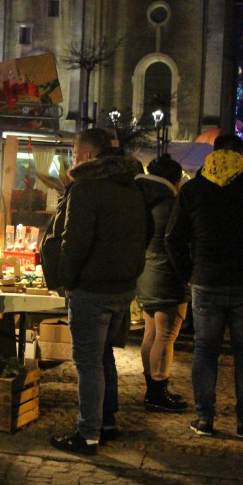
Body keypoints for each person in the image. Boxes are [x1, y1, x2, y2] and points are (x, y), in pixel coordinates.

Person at [166, 133, 243, 442]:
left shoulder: (194, 189)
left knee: (205, 350)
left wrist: (188, 273)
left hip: (206, 280)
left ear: (214, 153)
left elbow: (173, 238)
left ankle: (205, 418)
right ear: (241, 156)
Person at [49, 128, 148, 456]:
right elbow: (143, 235)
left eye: (75, 153)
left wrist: (67, 280)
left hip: (91, 287)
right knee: (104, 356)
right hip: (122, 287)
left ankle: (87, 433)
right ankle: (106, 421)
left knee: (88, 362)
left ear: (87, 155)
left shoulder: (86, 189)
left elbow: (73, 243)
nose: (73, 159)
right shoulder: (132, 187)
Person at [135, 153, 190, 413]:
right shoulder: (170, 203)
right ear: (175, 181)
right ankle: (158, 390)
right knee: (166, 335)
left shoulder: (142, 196)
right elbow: (177, 243)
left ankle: (152, 387)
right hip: (166, 275)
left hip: (145, 273)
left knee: (151, 332)